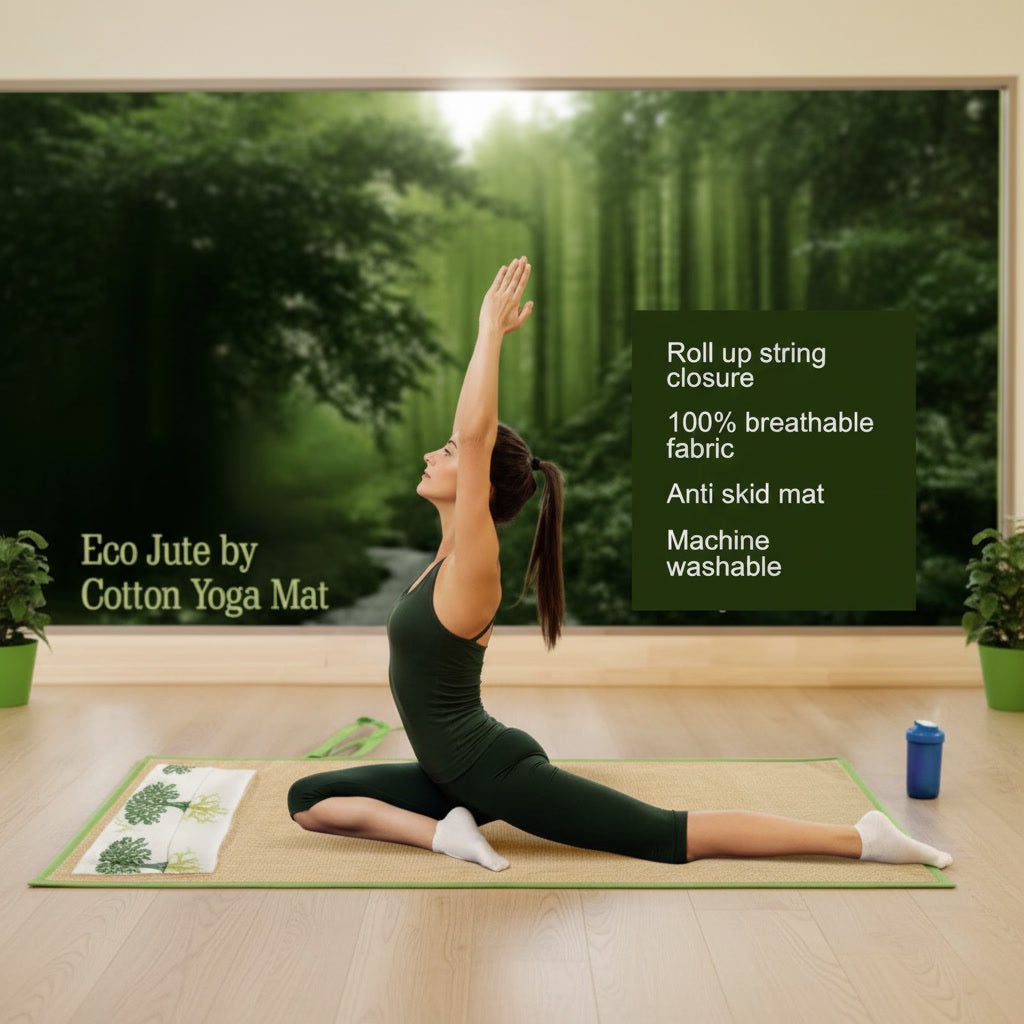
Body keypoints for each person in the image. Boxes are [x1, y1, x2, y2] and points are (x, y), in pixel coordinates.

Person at [288, 257, 952, 873]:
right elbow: (471, 441)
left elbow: (476, 434)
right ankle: (446, 834)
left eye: (449, 452)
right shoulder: (441, 558)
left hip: (494, 772)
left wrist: (489, 334)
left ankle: (861, 838)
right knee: (309, 799)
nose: (435, 454)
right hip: (450, 777)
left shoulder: (473, 562)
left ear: (480, 486)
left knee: (668, 836)